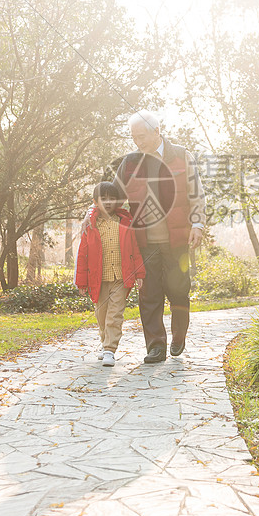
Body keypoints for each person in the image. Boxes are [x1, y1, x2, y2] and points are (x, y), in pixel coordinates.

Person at [113, 110, 206, 364]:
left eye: (141, 136)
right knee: (149, 294)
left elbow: (196, 193)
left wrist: (197, 224)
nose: (138, 142)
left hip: (177, 239)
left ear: (157, 132)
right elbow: (114, 195)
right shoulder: (130, 162)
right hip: (143, 242)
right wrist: (97, 213)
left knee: (178, 290)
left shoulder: (181, 156)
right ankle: (155, 346)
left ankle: (178, 337)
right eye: (133, 137)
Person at [75, 181, 145, 366]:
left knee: (115, 314)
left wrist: (139, 274)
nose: (107, 202)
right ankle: (105, 343)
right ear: (95, 202)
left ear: (118, 202)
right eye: (103, 199)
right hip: (98, 278)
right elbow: (83, 254)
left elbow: (134, 250)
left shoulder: (124, 222)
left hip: (121, 278)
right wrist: (81, 283)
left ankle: (109, 350)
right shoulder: (90, 226)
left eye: (112, 198)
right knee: (102, 314)